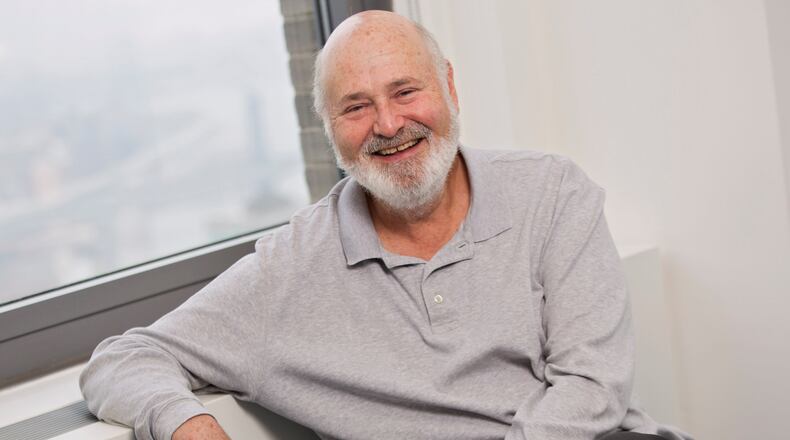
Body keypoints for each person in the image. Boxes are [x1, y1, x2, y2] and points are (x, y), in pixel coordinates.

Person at [80, 10, 692, 440]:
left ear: (449, 87)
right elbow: (122, 359)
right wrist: (188, 423)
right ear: (329, 129)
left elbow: (592, 388)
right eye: (356, 106)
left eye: (405, 91)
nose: (389, 124)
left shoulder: (552, 193)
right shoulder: (290, 267)